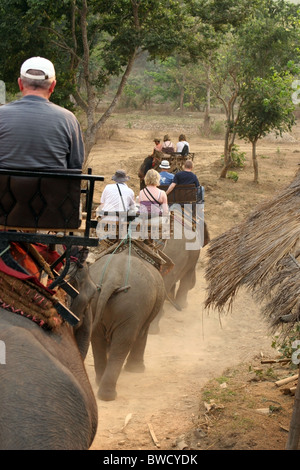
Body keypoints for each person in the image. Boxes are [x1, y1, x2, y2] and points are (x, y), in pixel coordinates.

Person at [0, 56, 84, 170]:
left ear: (20, 83)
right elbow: (76, 166)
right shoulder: (68, 119)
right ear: (53, 86)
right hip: (53, 188)